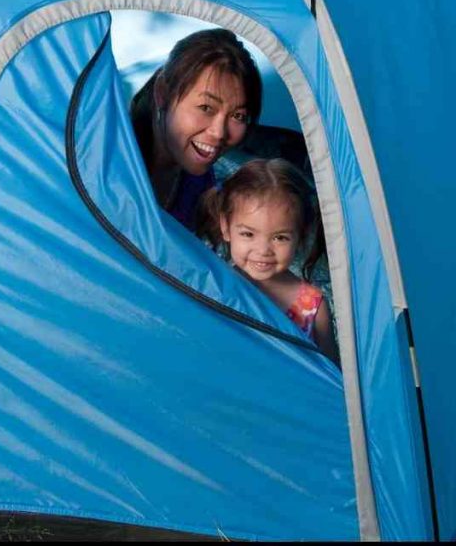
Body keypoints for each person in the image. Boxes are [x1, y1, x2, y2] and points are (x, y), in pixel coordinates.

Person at [197, 158, 339, 366]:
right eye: (248, 234)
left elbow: (333, 381)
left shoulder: (312, 307)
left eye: (280, 237)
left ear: (300, 235)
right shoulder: (213, 289)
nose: (263, 251)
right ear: (226, 227)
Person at [129, 29, 263, 231]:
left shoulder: (202, 186)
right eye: (206, 108)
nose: (219, 133)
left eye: (238, 116)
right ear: (162, 93)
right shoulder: (106, 164)